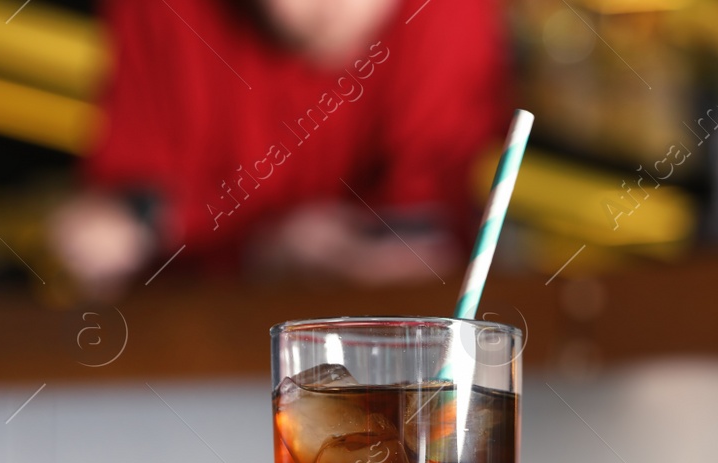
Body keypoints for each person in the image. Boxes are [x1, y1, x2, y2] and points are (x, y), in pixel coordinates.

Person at [51, 0, 509, 295]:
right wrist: (264, 251)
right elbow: (109, 229)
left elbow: (432, 248)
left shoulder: (450, 9)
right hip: (195, 358)